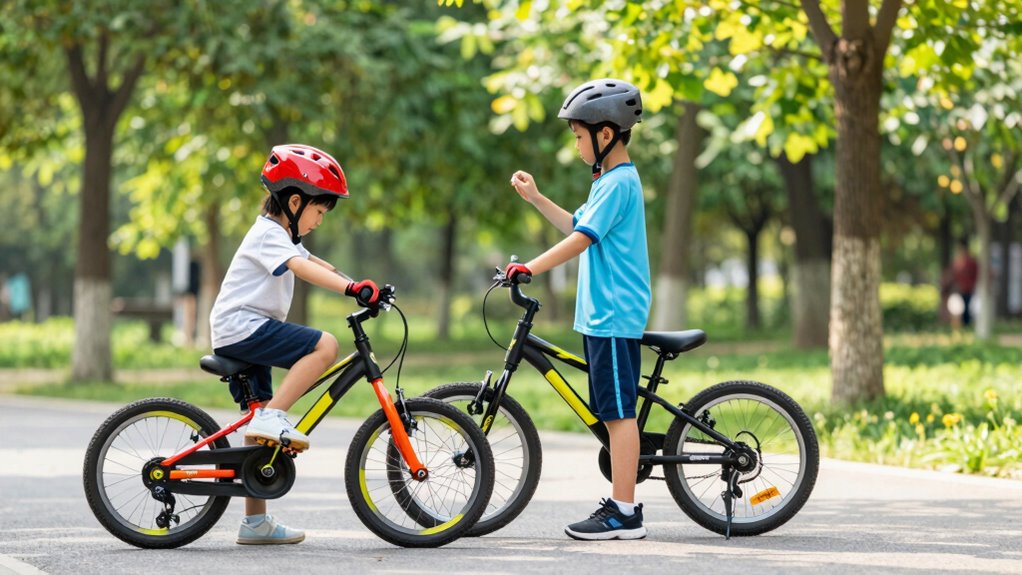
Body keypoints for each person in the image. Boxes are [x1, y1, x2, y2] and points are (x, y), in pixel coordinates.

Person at [209, 144, 380, 545]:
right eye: (320, 210)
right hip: (244, 327)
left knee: (258, 423)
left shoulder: (282, 235)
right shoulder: (268, 234)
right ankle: (274, 417)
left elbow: (316, 262)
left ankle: (254, 525)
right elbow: (300, 267)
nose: (321, 219)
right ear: (295, 200)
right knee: (325, 346)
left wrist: (361, 284)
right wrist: (351, 289)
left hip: (245, 329)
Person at [506, 78, 650, 540]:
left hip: (611, 316)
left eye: (578, 134)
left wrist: (531, 266)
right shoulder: (609, 182)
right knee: (614, 408)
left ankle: (624, 512)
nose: (576, 143)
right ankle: (622, 502)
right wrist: (536, 198)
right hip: (604, 316)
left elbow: (581, 240)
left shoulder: (618, 182)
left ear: (604, 134)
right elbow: (578, 224)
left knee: (617, 414)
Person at [951, 239, 978, 326]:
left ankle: (966, 324)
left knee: (967, 307)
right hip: (961, 289)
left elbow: (975, 274)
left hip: (968, 289)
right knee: (961, 308)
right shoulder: (959, 262)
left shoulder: (969, 262)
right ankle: (963, 324)